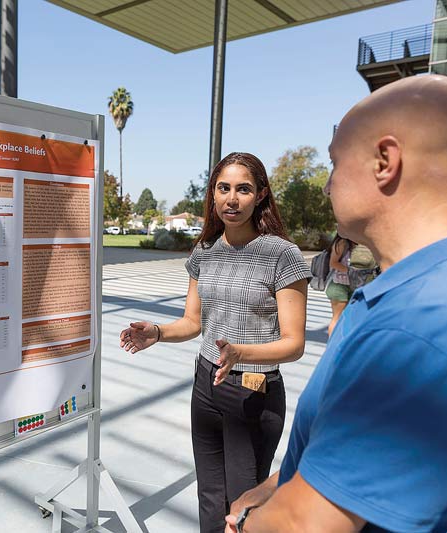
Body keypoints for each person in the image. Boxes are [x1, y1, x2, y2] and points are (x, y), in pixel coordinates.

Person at [224, 75, 447, 532]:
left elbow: (305, 527)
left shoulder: (422, 325)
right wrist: (282, 484)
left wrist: (253, 521)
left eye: (335, 162)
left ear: (384, 161)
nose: (327, 186)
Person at [119, 152, 310, 532]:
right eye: (224, 188)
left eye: (243, 189)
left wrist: (242, 353)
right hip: (205, 386)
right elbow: (193, 323)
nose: (232, 199)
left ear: (260, 195)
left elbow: (294, 343)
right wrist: (157, 333)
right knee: (209, 495)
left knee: (241, 508)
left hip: (252, 392)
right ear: (213, 194)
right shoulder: (205, 250)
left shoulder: (281, 255)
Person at [324, 233, 354, 336]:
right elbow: (333, 263)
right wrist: (351, 271)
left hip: (352, 285)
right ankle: (332, 347)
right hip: (339, 285)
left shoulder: (354, 242)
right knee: (337, 318)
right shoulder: (342, 242)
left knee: (349, 317)